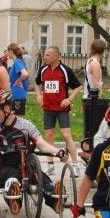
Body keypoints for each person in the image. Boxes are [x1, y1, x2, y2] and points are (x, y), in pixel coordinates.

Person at [0, 90, 69, 215]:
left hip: (25, 165)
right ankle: (15, 201)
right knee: (12, 177)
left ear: (7, 109)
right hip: (4, 166)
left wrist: (59, 151)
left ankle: (55, 198)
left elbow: (42, 144)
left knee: (39, 176)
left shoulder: (26, 126)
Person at [35, 46, 82, 177]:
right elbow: (37, 83)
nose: (44, 57)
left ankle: (75, 165)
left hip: (61, 109)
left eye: (47, 55)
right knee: (49, 136)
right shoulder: (43, 69)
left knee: (66, 135)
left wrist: (69, 99)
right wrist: (38, 95)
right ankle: (50, 165)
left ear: (56, 56)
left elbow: (78, 87)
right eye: (44, 55)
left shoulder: (65, 70)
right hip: (48, 108)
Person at [7, 43, 29, 115]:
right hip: (16, 94)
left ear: (11, 51)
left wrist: (18, 80)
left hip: (18, 95)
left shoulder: (17, 62)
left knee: (17, 119)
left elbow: (25, 74)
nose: (7, 53)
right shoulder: (17, 62)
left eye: (8, 51)